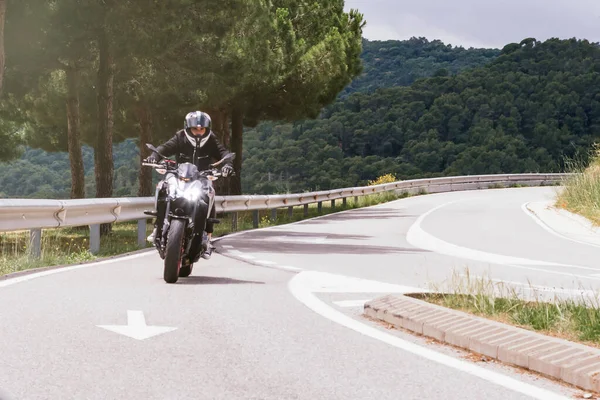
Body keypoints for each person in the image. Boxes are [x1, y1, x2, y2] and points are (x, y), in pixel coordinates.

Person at [144, 110, 234, 260]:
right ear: (188, 128)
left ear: (207, 129)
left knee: (209, 193)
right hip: (179, 174)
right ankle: (157, 226)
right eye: (195, 129)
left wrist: (228, 165)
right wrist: (154, 156)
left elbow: (224, 153)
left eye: (202, 129)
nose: (198, 132)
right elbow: (164, 148)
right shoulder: (180, 137)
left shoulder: (211, 139)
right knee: (163, 187)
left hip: (202, 175)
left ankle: (207, 237)